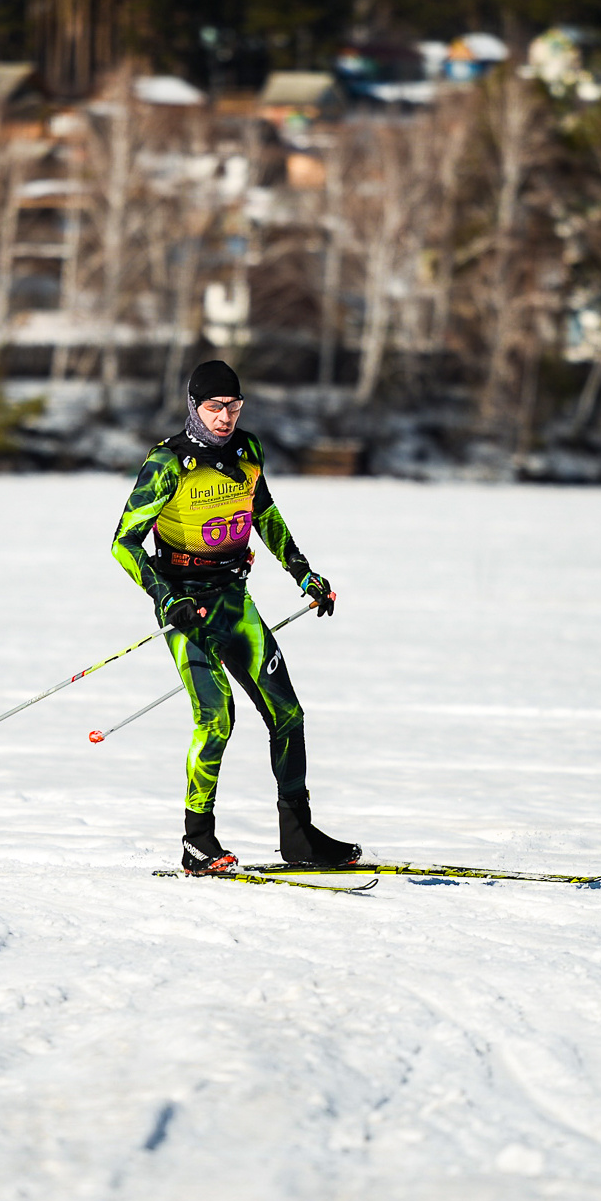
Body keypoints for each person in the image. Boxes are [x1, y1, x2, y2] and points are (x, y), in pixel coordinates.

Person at [111, 359, 361, 875]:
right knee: (216, 717)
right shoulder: (168, 462)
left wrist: (304, 574)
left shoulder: (249, 451)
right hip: (189, 606)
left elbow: (263, 514)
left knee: (287, 713)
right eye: (214, 407)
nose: (225, 417)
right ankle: (197, 841)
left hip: (234, 599)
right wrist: (165, 597)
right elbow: (124, 542)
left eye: (234, 406)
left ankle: (300, 838)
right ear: (194, 407)